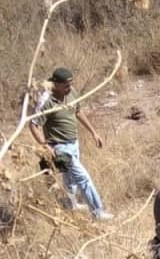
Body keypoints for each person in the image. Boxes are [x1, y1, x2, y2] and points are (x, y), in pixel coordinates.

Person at [29, 67, 113, 220]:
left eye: (71, 84)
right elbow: (33, 124)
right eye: (66, 85)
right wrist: (44, 144)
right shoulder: (46, 100)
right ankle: (98, 212)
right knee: (83, 178)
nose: (69, 88)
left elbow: (77, 111)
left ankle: (71, 204)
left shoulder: (71, 92)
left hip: (74, 142)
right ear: (56, 84)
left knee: (70, 178)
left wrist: (93, 132)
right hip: (59, 147)